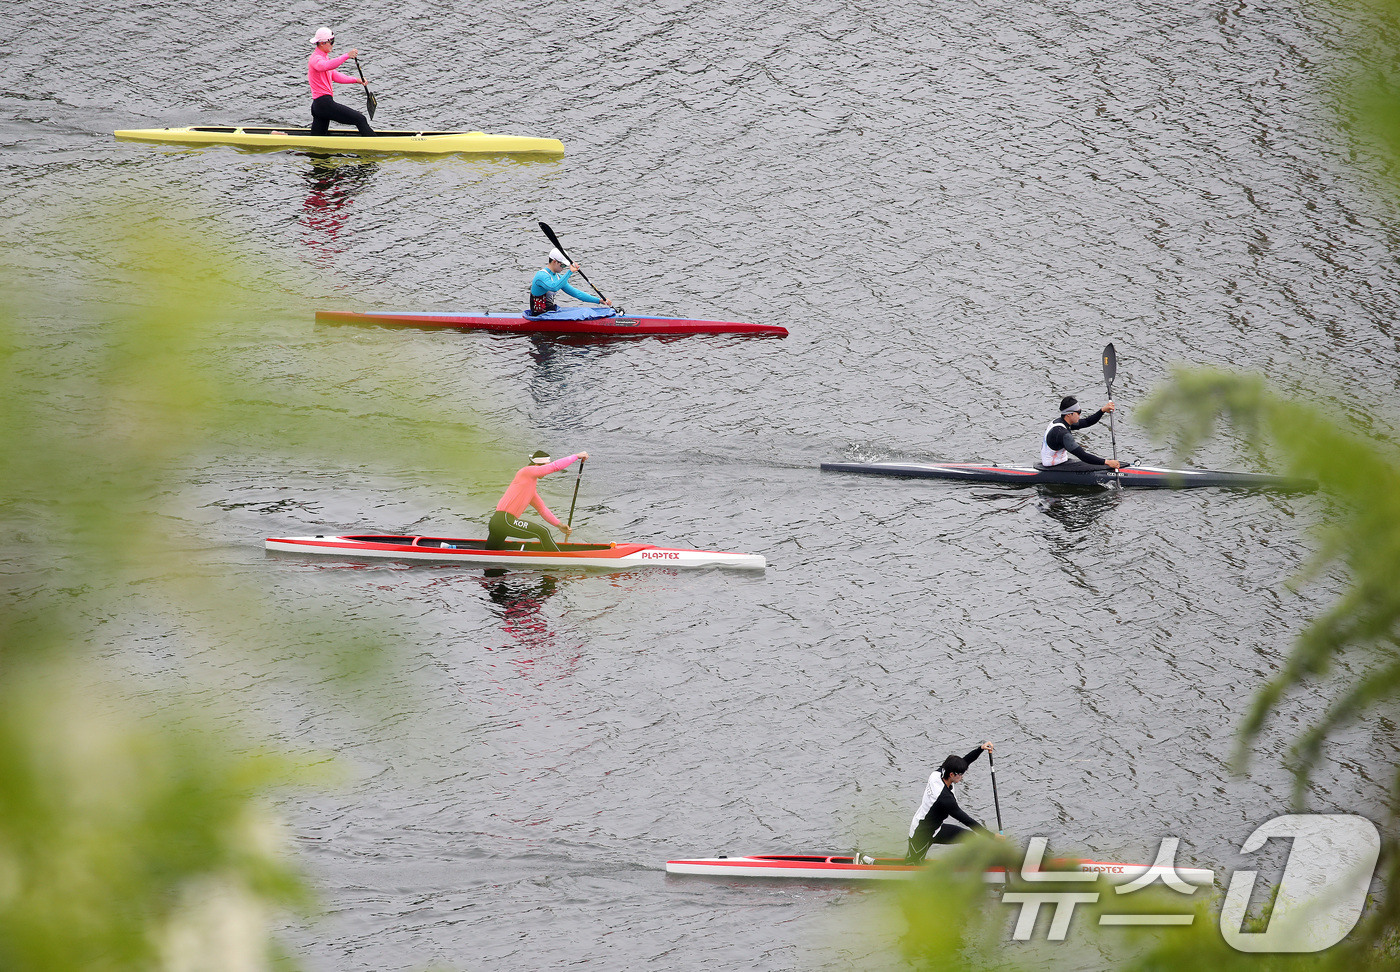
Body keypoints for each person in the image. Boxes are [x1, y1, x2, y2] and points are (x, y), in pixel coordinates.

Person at [905, 741, 995, 864]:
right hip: (920, 834)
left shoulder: (938, 774)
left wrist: (980, 749)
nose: (962, 776)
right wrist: (992, 836)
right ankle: (874, 865)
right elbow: (967, 820)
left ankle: (969, 866)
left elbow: (964, 761)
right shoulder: (945, 799)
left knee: (970, 838)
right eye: (961, 774)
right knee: (912, 864)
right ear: (952, 774)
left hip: (936, 829)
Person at [487, 450, 588, 551]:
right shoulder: (527, 471)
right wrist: (577, 456)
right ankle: (558, 560)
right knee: (543, 532)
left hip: (498, 522)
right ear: (537, 465)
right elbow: (555, 466)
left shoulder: (529, 488)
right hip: (505, 520)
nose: (546, 471)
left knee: (489, 553)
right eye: (545, 466)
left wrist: (560, 525)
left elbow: (542, 509)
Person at [307, 28, 373, 136]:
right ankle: (376, 146)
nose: (333, 45)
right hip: (324, 104)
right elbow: (325, 66)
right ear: (323, 43)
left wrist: (357, 80)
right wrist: (347, 56)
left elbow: (334, 75)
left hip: (320, 106)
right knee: (360, 119)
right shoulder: (316, 59)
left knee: (316, 140)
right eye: (331, 42)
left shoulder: (324, 57)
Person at [1038, 396, 1122, 471]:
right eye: (1078, 412)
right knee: (1096, 463)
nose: (1080, 415)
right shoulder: (1062, 433)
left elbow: (1087, 422)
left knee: (1095, 463)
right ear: (1069, 415)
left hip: (1059, 461)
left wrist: (1102, 410)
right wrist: (1107, 462)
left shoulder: (1061, 422)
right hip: (1054, 466)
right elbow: (1083, 456)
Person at [529, 249, 613, 316]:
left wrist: (599, 301)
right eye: (562, 265)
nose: (563, 268)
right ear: (554, 261)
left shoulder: (558, 277)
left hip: (550, 312)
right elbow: (553, 287)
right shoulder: (541, 276)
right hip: (539, 316)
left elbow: (577, 294)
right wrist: (570, 272)